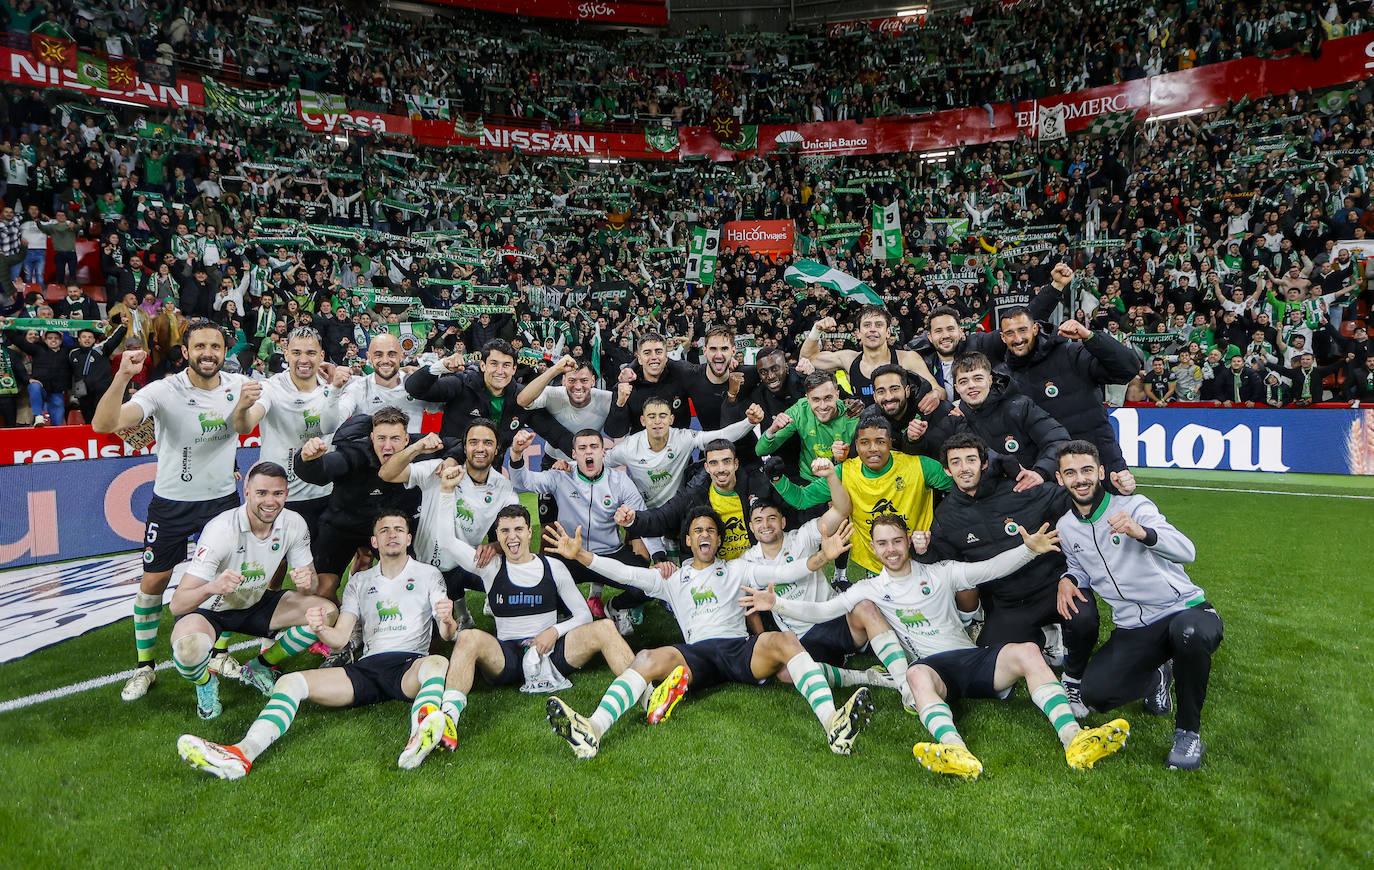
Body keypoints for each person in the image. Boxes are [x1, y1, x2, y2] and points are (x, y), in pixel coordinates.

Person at [740, 512, 1130, 780]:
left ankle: (1074, 739)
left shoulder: (941, 573)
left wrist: (1028, 548)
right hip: (933, 671)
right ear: (872, 548)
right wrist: (778, 604)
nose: (890, 549)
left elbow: (990, 568)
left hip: (971, 659)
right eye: (882, 543)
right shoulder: (869, 588)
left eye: (896, 541)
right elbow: (823, 610)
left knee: (1026, 650)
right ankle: (956, 751)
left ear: (908, 542)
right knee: (914, 674)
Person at [540, 510, 873, 758]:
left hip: (738, 649)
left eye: (711, 531)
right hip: (695, 655)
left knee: (786, 641)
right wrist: (581, 556)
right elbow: (626, 572)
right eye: (697, 530)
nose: (704, 535)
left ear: (718, 540)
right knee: (645, 658)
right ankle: (592, 730)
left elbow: (785, 570)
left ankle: (833, 723)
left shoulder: (738, 568)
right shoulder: (671, 578)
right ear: (688, 540)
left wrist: (821, 557)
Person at [175, 511, 459, 778]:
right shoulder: (359, 581)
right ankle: (242, 754)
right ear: (374, 541)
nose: (392, 535)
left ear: (409, 538)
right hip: (366, 669)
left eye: (399, 530)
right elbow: (341, 639)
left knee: (438, 662)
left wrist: (446, 620)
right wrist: (321, 628)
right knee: (290, 682)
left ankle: (421, 728)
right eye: (384, 530)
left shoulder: (428, 574)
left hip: (409, 667)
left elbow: (447, 635)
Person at [91, 321, 248, 702]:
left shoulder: (240, 387)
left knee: (228, 582)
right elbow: (103, 424)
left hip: (222, 502)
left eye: (215, 346)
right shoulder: (164, 390)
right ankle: (145, 667)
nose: (208, 352)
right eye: (200, 346)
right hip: (171, 504)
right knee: (153, 585)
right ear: (186, 352)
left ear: (225, 351)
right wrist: (122, 375)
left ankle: (220, 654)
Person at [1054, 440, 1223, 771]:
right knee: (1096, 695)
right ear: (1061, 479)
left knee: (1187, 633)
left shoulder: (1134, 506)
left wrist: (1142, 532)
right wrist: (1068, 579)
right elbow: (1080, 570)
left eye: (1087, 470)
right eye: (1070, 473)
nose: (1080, 479)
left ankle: (1188, 733)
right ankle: (1159, 674)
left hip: (1183, 610)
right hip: (1133, 627)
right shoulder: (1066, 527)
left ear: (1101, 472)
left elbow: (1187, 550)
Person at [432, 491, 636, 746]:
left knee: (605, 627)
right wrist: (446, 492)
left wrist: (554, 632)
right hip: (507, 656)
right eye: (504, 531)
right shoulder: (490, 566)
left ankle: (645, 693)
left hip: (552, 651)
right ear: (497, 536)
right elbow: (446, 541)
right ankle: (448, 720)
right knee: (467, 636)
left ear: (530, 532)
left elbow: (583, 615)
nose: (512, 536)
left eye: (518, 529)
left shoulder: (553, 566)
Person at [930, 432, 1134, 676]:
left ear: (984, 463)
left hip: (1053, 587)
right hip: (1009, 603)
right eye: (956, 462)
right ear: (946, 470)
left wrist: (1113, 487)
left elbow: (1074, 498)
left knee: (1083, 619)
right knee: (993, 656)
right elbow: (943, 564)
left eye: (971, 460)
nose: (964, 468)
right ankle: (1044, 637)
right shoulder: (946, 515)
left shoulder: (1020, 489)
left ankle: (1073, 668)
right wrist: (921, 550)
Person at [167, 462, 335, 719]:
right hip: (211, 610)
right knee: (187, 652)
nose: (270, 501)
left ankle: (260, 666)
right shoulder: (221, 531)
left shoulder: (294, 523)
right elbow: (177, 605)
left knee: (326, 612)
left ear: (286, 494)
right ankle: (205, 682)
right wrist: (213, 586)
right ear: (246, 491)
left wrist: (307, 583)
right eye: (262, 493)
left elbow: (312, 585)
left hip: (255, 602)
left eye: (277, 493)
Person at [510, 427, 665, 634]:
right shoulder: (561, 475)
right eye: (582, 448)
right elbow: (523, 481)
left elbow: (644, 520)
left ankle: (616, 607)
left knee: (649, 585)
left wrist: (660, 557)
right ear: (574, 454)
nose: (588, 452)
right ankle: (564, 613)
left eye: (594, 447)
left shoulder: (619, 481)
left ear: (603, 452)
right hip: (570, 554)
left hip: (610, 554)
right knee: (540, 584)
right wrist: (517, 454)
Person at [740, 493, 893, 690]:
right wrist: (762, 640)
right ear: (751, 527)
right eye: (758, 520)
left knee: (866, 606)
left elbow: (841, 510)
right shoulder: (748, 562)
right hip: (803, 636)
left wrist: (830, 474)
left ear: (783, 521)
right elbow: (746, 606)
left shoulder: (801, 538)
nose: (766, 525)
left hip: (836, 617)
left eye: (772, 518)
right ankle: (863, 677)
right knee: (786, 673)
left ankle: (903, 672)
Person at [378, 419, 519, 628]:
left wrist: (496, 546)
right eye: (474, 442)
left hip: (466, 563)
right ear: (465, 447)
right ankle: (461, 613)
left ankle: (492, 602)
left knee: (516, 578)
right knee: (426, 633)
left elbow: (519, 527)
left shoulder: (503, 487)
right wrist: (416, 447)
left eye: (488, 443)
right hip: (428, 567)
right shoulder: (438, 470)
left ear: (497, 448)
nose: (480, 448)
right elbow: (386, 474)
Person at [294, 406, 422, 606]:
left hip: (388, 528)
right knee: (320, 592)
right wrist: (306, 460)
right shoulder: (355, 453)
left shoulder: (420, 450)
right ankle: (344, 617)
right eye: (381, 438)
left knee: (408, 584)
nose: (387, 446)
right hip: (343, 524)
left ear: (407, 439)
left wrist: (450, 458)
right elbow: (322, 471)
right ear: (371, 437)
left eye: (395, 439)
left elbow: (458, 445)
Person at [998, 298, 1142, 472]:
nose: (1018, 339)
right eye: (1010, 333)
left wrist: (1091, 337)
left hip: (1099, 465)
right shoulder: (1003, 377)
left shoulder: (1071, 354)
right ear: (1002, 337)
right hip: (1049, 473)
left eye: (1023, 330)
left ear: (1035, 328)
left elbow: (1128, 368)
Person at [803, 413, 952, 578]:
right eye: (865, 442)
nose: (873, 448)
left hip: (920, 556)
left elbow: (961, 486)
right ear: (857, 446)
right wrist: (777, 478)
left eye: (880, 442)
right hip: (874, 565)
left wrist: (943, 524)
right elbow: (801, 499)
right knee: (872, 603)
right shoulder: (845, 471)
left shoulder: (919, 466)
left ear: (890, 443)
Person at [231, 326, 350, 530]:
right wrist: (242, 407)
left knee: (319, 561)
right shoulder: (272, 388)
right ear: (286, 353)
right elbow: (246, 426)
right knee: (277, 561)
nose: (304, 359)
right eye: (296, 353)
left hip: (323, 493)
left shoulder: (333, 386)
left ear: (321, 355)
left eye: (311, 353)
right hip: (280, 495)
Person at [616, 438, 777, 564]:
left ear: (736, 464)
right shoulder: (694, 494)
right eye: (714, 463)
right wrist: (633, 520)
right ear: (706, 467)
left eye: (726, 461)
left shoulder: (757, 486)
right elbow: (662, 517)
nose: (720, 469)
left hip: (753, 561)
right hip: (711, 565)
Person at [927, 352, 1070, 490]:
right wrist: (914, 439)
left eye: (978, 378)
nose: (971, 385)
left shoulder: (1020, 406)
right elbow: (928, 449)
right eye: (964, 381)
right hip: (988, 503)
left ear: (990, 380)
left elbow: (1058, 440)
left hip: (1032, 493)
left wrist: (1041, 472)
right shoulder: (955, 418)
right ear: (957, 388)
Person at [605, 395, 762, 509]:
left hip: (680, 510)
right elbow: (603, 464)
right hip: (645, 512)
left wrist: (749, 422)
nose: (657, 421)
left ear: (671, 419)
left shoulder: (683, 438)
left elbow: (721, 435)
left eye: (663, 416)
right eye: (651, 417)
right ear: (643, 421)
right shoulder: (628, 447)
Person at [800, 304, 944, 407]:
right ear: (858, 333)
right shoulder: (848, 359)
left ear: (888, 332)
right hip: (865, 434)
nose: (872, 330)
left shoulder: (907, 359)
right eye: (867, 325)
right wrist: (816, 330)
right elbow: (808, 358)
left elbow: (940, 391)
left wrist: (935, 395)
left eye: (879, 325)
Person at [756, 370, 861, 510]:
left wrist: (842, 460)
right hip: (807, 481)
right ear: (807, 398)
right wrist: (772, 430)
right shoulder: (800, 410)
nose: (822, 406)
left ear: (837, 394)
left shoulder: (853, 415)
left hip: (842, 481)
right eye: (816, 399)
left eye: (828, 398)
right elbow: (761, 450)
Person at [515, 355, 613, 466]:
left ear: (593, 381)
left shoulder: (607, 398)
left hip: (587, 462)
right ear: (563, 381)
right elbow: (523, 400)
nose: (578, 386)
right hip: (553, 461)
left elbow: (619, 429)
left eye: (584, 380)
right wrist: (555, 369)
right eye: (572, 380)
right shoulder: (553, 394)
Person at [337, 333, 437, 430]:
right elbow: (332, 424)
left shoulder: (417, 385)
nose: (385, 360)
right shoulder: (358, 388)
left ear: (401, 356)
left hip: (412, 446)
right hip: (370, 447)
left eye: (392, 354)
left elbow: (446, 407)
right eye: (378, 355)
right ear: (369, 357)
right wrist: (334, 389)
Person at [868, 363, 951, 456]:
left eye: (894, 389)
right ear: (874, 396)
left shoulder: (933, 407)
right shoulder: (868, 418)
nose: (889, 397)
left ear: (907, 391)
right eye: (881, 392)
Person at [68, 323, 126, 423]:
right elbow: (70, 372)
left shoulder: (101, 349)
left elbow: (114, 339)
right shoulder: (73, 353)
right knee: (87, 417)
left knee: (102, 416)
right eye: (84, 337)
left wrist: (123, 327)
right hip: (83, 391)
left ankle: (102, 437)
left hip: (101, 390)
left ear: (94, 340)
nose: (87, 339)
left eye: (90, 337)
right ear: (79, 339)